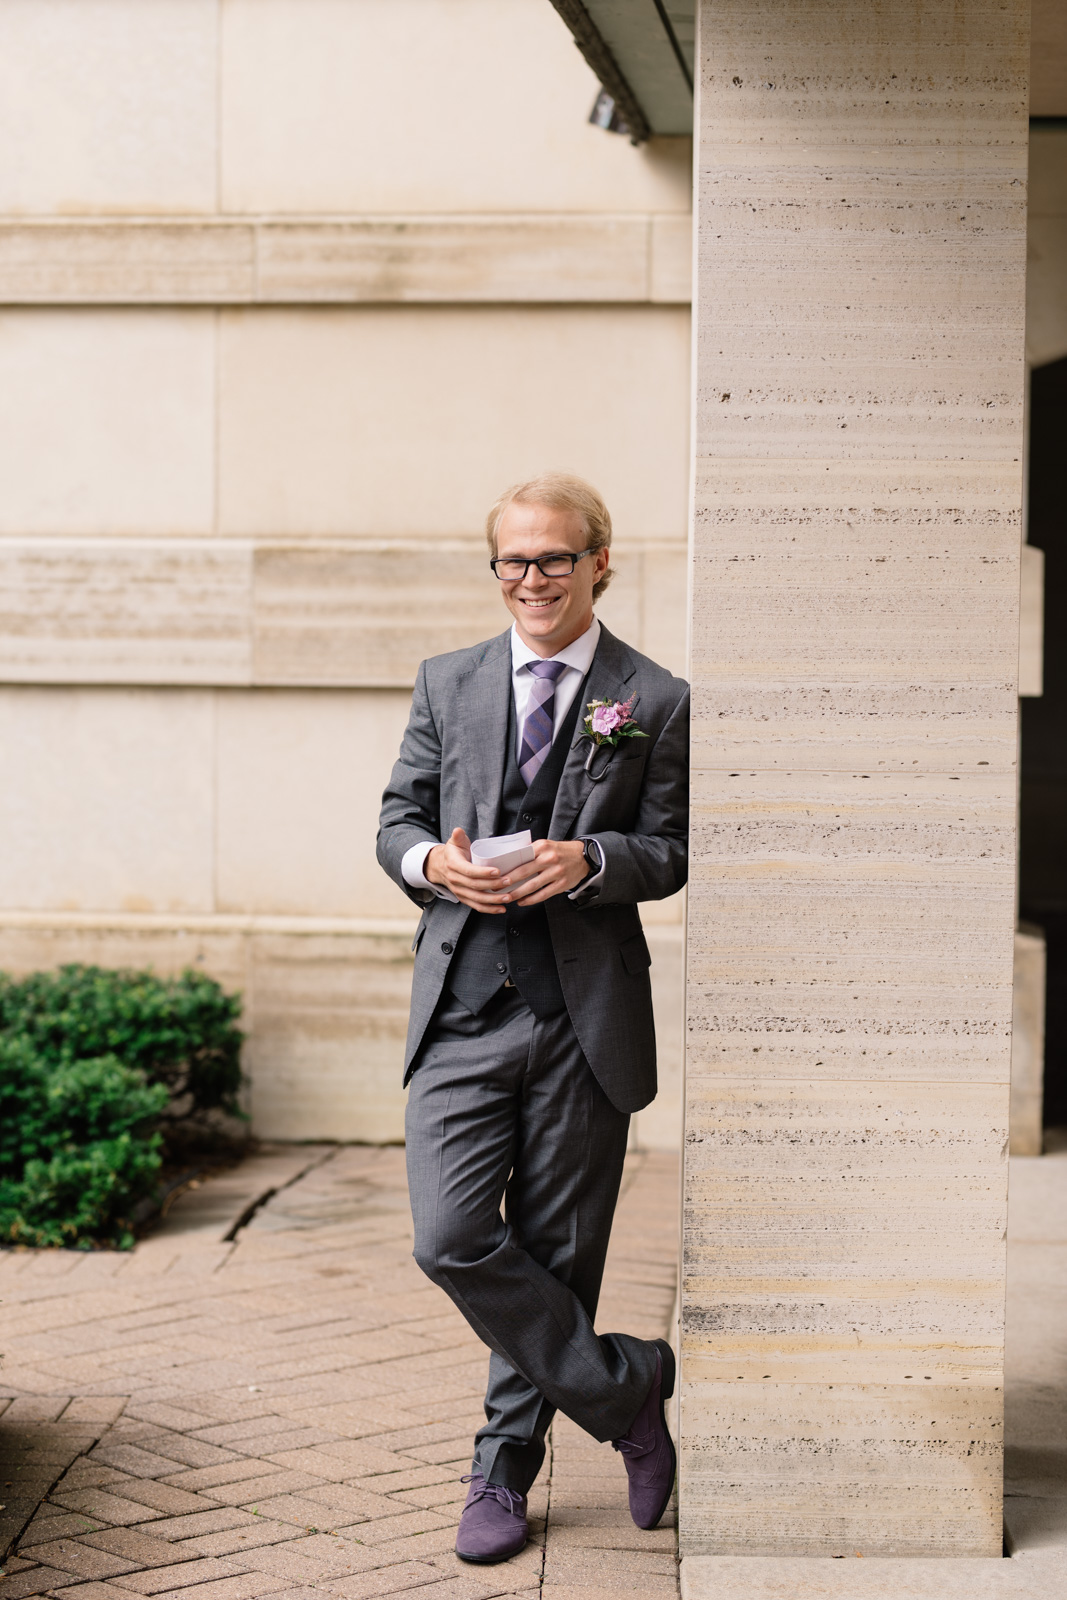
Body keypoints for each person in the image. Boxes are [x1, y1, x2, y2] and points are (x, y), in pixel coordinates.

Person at [376, 471, 689, 1565]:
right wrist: (431, 863)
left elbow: (673, 848)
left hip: (581, 1016)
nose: (531, 578)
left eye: (554, 557)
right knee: (450, 1235)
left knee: (556, 1257)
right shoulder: (446, 681)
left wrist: (591, 858)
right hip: (463, 1006)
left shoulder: (652, 697)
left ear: (600, 561)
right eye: (512, 558)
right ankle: (625, 1387)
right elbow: (395, 819)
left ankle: (500, 1474)